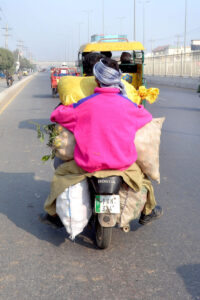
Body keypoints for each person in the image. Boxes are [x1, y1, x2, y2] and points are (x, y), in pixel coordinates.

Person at [41, 58, 162, 227]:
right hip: (122, 165)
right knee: (143, 179)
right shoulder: (129, 106)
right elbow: (147, 118)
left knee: (60, 175)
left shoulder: (83, 106)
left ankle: (53, 215)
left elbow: (57, 115)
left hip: (88, 164)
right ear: (117, 79)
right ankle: (147, 212)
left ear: (96, 80)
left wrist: (63, 106)